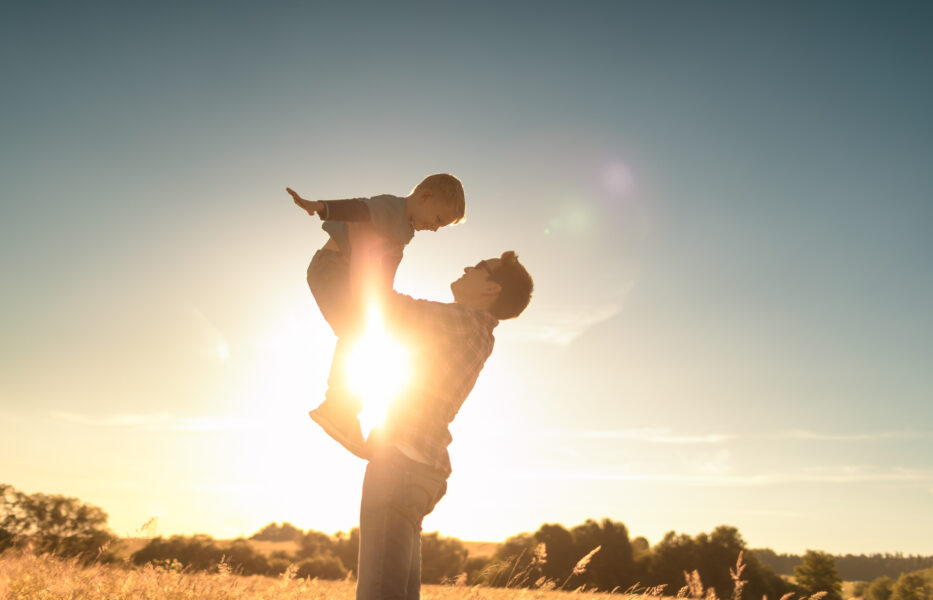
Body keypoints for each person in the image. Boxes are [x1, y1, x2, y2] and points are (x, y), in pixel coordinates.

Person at [345, 223, 534, 600]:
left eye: (480, 266)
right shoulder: (471, 329)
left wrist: (370, 248)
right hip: (417, 468)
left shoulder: (465, 322)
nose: (467, 268)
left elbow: (382, 305)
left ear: (491, 289)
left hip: (401, 465)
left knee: (379, 594)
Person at [287, 174, 465, 459]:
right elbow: (360, 208)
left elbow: (382, 268)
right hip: (332, 270)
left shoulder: (404, 229)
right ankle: (338, 408)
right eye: (438, 219)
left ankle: (343, 408)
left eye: (440, 226)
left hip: (343, 275)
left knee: (362, 337)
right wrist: (321, 206)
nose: (434, 228)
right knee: (357, 334)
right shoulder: (391, 208)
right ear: (425, 197)